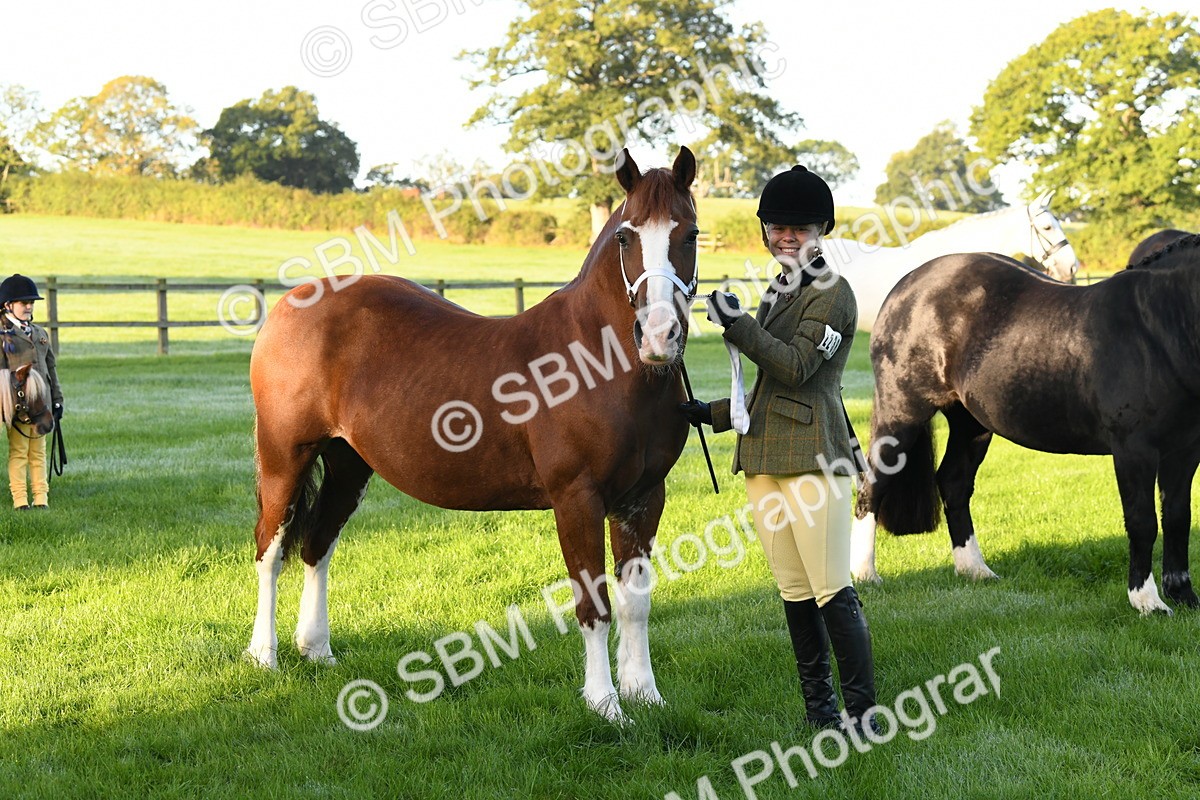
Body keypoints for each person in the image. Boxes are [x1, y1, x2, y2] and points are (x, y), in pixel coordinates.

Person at [679, 166, 876, 731]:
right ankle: (821, 713)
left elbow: (796, 368)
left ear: (822, 231)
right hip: (762, 459)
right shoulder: (779, 290)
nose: (787, 236)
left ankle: (864, 715)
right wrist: (713, 413)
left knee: (831, 589)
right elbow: (768, 388)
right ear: (765, 229)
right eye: (777, 227)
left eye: (800, 228)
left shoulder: (834, 294)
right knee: (794, 591)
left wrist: (738, 325)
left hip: (814, 457)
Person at [1, 274, 64, 510]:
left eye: (31, 303)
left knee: (38, 452)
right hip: (18, 405)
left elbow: (51, 368)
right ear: (8, 305)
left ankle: (41, 498)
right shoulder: (3, 336)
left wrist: (57, 399)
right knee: (19, 452)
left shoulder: (40, 333)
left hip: (41, 405)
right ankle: (20, 499)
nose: (29, 307)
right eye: (23, 303)